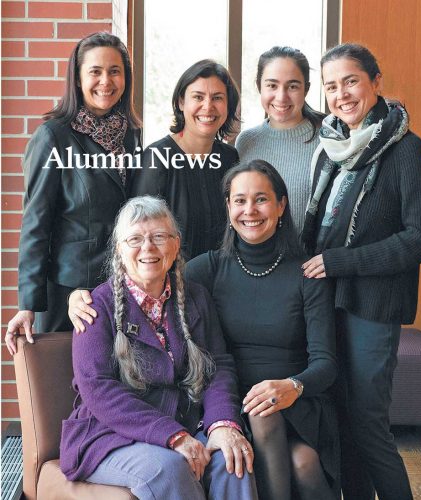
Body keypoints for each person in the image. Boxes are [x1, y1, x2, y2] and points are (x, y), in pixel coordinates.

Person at [301, 43, 421, 500]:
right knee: (340, 423)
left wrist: (342, 262)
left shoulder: (406, 149)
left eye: (351, 81)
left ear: (375, 82)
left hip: (372, 307)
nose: (341, 94)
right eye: (330, 85)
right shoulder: (330, 148)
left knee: (367, 424)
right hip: (325, 301)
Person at [60, 196, 258, 500]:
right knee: (169, 468)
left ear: (176, 245)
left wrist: (222, 423)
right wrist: (173, 436)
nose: (148, 247)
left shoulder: (196, 298)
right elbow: (98, 389)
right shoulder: (95, 307)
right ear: (119, 249)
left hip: (186, 420)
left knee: (232, 457)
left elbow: (217, 366)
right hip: (109, 434)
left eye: (159, 236)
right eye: (135, 239)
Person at [186, 160, 339, 500]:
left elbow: (326, 364)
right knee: (300, 461)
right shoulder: (208, 268)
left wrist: (292, 386)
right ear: (228, 208)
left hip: (298, 403)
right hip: (230, 401)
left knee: (299, 451)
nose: (249, 210)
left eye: (261, 199)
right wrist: (83, 296)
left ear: (281, 205)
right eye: (239, 200)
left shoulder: (306, 274)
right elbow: (144, 282)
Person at [5, 32, 142, 354]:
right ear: (78, 79)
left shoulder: (131, 136)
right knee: (63, 393)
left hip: (119, 287)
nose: (105, 81)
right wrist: (28, 304)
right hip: (69, 293)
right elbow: (35, 224)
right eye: (95, 71)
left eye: (114, 71)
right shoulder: (52, 137)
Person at [131, 59, 240, 260]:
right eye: (198, 97)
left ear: (228, 105)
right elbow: (139, 232)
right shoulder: (156, 157)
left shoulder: (230, 158)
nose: (208, 106)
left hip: (222, 278)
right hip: (172, 282)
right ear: (181, 102)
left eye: (217, 98)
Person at [235, 46, 324, 232]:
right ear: (259, 86)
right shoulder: (245, 142)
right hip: (257, 257)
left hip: (313, 258)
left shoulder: (328, 138)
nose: (281, 97)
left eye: (292, 86)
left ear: (306, 89)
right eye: (272, 85)